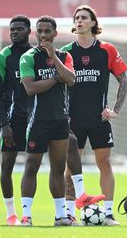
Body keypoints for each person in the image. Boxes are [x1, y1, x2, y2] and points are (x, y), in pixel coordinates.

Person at [19, 15, 104, 227]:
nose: (44, 35)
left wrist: (54, 59)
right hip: (38, 121)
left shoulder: (64, 56)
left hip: (60, 121)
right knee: (31, 167)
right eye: (40, 31)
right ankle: (26, 216)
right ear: (36, 33)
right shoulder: (28, 57)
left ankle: (60, 216)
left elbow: (72, 80)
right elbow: (31, 88)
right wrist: (56, 78)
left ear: (55, 33)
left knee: (57, 169)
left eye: (48, 31)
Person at [61, 5, 127, 226]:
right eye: (77, 18)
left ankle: (108, 214)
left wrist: (115, 110)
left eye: (84, 18)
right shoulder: (65, 52)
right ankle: (69, 215)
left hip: (100, 119)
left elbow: (124, 80)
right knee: (71, 167)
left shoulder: (107, 50)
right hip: (73, 120)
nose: (79, 21)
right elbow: (58, 85)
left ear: (93, 23)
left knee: (105, 163)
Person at [0, 15, 33, 226]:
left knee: (38, 165)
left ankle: (61, 212)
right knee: (7, 167)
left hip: (38, 118)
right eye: (12, 30)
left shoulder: (38, 54)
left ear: (28, 31)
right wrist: (3, 124)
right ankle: (11, 215)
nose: (14, 32)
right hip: (13, 120)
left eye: (19, 29)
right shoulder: (2, 58)